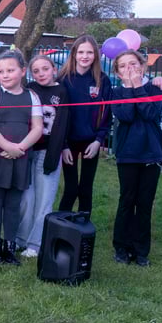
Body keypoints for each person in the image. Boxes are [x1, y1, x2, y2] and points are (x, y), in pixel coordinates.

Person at [0, 50, 43, 265]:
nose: (5, 75)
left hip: (20, 157)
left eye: (10, 70)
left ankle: (9, 247)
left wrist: (20, 148)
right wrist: (7, 146)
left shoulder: (32, 97)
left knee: (14, 204)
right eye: (1, 71)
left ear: (23, 71)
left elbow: (37, 128)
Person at [110, 49, 162, 267]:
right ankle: (121, 247)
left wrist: (139, 87)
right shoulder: (116, 92)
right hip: (128, 155)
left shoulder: (155, 88)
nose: (129, 69)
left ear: (142, 66)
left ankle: (141, 250)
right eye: (123, 66)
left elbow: (151, 114)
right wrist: (131, 88)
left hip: (151, 153)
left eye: (133, 64)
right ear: (117, 72)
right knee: (127, 200)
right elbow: (127, 115)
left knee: (145, 203)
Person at [16, 54, 70, 258]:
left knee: (44, 200)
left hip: (49, 151)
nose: (41, 74)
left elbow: (61, 125)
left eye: (45, 69)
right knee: (26, 199)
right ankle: (21, 239)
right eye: (36, 70)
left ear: (54, 69)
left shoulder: (62, 91)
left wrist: (54, 155)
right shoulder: (30, 89)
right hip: (27, 150)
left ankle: (35, 244)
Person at [57, 35, 112, 214]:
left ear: (96, 55)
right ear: (73, 54)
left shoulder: (102, 80)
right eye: (81, 52)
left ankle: (83, 234)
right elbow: (58, 115)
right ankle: (61, 230)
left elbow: (107, 113)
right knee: (71, 189)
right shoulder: (63, 79)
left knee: (86, 190)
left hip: (91, 142)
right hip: (68, 142)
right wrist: (63, 145)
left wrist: (99, 140)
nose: (85, 56)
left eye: (89, 52)